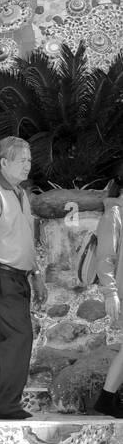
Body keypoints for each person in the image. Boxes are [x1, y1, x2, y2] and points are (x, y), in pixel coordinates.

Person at [0, 137, 44, 420]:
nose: (28, 165)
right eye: (22, 160)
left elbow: (26, 238)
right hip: (2, 276)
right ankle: (8, 404)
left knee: (2, 341)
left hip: (20, 277)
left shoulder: (21, 193)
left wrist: (36, 274)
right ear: (4, 162)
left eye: (29, 160)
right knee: (19, 337)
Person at [91, 174, 123, 417]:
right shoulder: (113, 215)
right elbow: (105, 258)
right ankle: (106, 398)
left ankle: (107, 398)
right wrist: (110, 293)